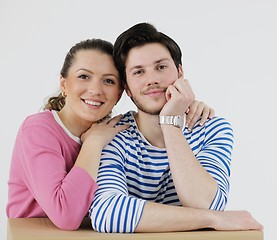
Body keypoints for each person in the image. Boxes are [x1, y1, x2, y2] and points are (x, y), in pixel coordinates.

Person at [6, 38, 215, 230]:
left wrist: (183, 107)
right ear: (63, 84)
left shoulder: (112, 130)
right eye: (83, 76)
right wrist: (93, 143)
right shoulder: (39, 130)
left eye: (108, 81)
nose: (96, 90)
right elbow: (66, 215)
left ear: (120, 93)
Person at [89, 23, 263, 233]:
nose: (152, 79)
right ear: (127, 88)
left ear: (180, 72)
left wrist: (170, 123)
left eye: (161, 67)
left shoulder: (213, 129)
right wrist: (214, 219)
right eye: (138, 72)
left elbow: (207, 203)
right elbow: (107, 214)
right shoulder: (112, 135)